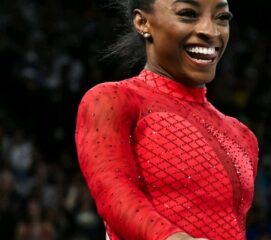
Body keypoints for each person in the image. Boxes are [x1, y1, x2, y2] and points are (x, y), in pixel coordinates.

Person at [74, 0, 259, 239]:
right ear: (143, 22)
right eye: (188, 14)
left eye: (222, 18)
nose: (211, 31)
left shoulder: (242, 136)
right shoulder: (113, 100)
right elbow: (113, 194)